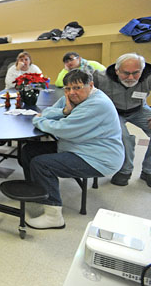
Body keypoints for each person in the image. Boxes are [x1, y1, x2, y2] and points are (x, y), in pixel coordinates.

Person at [20, 69, 124, 230]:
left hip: (98, 158)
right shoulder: (73, 97)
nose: (71, 92)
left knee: (42, 164)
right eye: (68, 89)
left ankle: (53, 216)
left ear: (91, 85)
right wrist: (64, 111)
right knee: (28, 151)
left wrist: (38, 120)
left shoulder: (97, 104)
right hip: (77, 145)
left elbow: (62, 129)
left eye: (77, 88)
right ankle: (39, 193)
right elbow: (48, 112)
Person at [93, 53, 151, 187]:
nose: (131, 78)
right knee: (123, 136)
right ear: (117, 70)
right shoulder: (100, 78)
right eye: (126, 73)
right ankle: (125, 171)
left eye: (136, 73)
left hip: (139, 109)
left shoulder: (148, 76)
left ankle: (148, 170)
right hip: (113, 112)